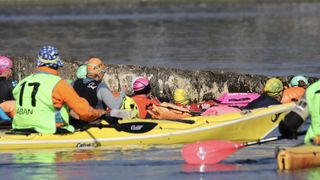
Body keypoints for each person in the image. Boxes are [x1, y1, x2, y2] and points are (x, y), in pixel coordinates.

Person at [12, 45, 105, 134]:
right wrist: (98, 113)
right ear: (56, 65)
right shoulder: (58, 84)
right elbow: (85, 113)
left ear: (39, 64)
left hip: (19, 127)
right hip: (51, 130)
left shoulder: (23, 82)